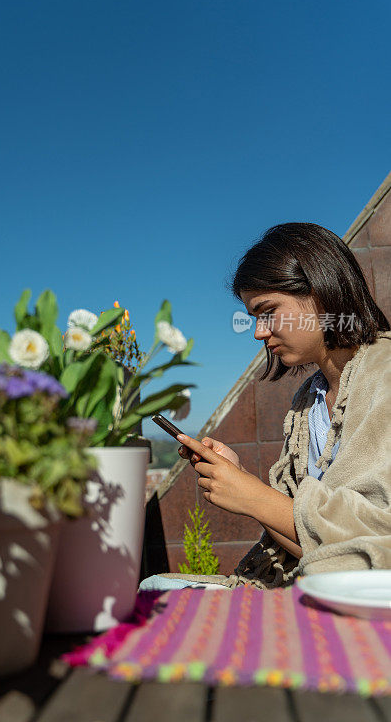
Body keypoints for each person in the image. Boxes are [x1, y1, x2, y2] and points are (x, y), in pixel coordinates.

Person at [141, 222, 391, 591]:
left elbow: (373, 550)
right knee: (153, 587)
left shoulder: (384, 375)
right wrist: (242, 482)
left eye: (268, 311)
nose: (258, 332)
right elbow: (314, 545)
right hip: (316, 589)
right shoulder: (310, 399)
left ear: (321, 292)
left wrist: (255, 497)